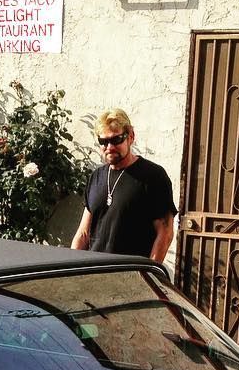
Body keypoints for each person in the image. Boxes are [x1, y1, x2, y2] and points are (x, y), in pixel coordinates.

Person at [70, 108, 177, 263]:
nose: (109, 147)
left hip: (129, 275)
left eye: (116, 140)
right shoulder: (96, 177)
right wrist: (70, 268)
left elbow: (165, 232)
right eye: (103, 142)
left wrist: (148, 273)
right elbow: (84, 233)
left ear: (130, 136)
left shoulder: (153, 176)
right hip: (93, 273)